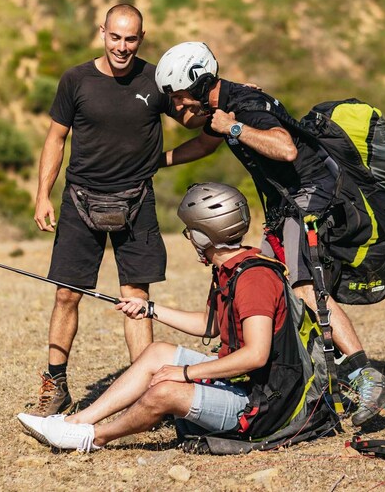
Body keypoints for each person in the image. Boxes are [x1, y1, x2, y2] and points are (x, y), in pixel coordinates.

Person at [155, 42, 385, 426]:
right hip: (285, 206)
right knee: (277, 282)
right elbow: (205, 143)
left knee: (306, 291)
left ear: (201, 85)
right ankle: (326, 374)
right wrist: (158, 161)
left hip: (310, 200)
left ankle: (367, 377)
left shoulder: (244, 107)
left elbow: (285, 150)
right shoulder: (224, 106)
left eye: (181, 97)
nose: (178, 107)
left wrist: (234, 126)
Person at [18, 183, 333, 452]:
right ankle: (75, 422)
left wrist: (186, 373)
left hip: (263, 406)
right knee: (157, 353)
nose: (190, 237)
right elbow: (211, 325)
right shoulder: (230, 268)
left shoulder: (253, 279)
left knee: (165, 391)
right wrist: (149, 308)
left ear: (204, 233)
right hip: (246, 386)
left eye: (191, 231)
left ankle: (93, 437)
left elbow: (255, 354)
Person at [29, 6, 204, 417]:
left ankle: (144, 396)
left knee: (137, 298)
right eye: (115, 37)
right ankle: (55, 386)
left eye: (130, 39)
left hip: (137, 201)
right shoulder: (75, 79)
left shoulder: (157, 79)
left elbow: (198, 124)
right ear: (102, 32)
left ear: (141, 38)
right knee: (66, 294)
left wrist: (226, 102)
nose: (122, 47)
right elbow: (56, 139)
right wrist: (42, 195)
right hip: (79, 200)